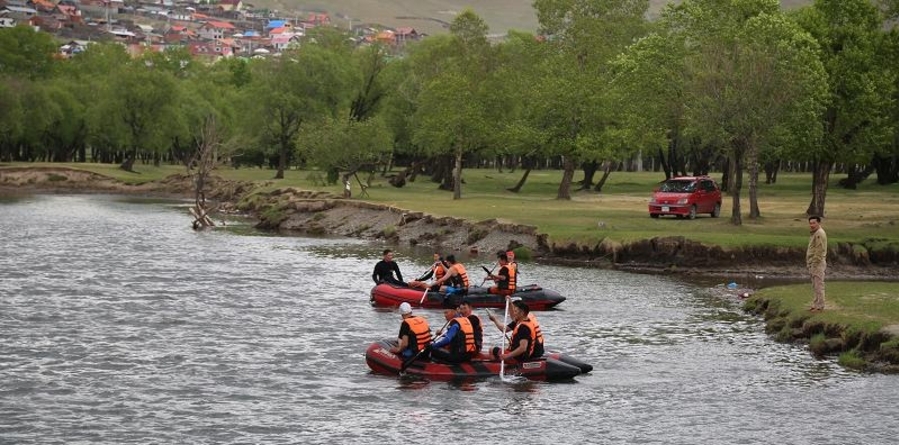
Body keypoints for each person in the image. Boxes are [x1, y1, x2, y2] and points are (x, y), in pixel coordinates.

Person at [807, 215, 828, 311]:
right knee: (815, 285)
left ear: (818, 223)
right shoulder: (814, 233)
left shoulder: (819, 233)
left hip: (817, 263)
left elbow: (819, 250)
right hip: (813, 263)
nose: (812, 225)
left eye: (814, 223)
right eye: (810, 223)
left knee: (819, 284)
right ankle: (816, 304)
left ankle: (820, 306)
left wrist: (814, 263)